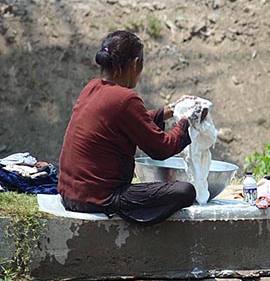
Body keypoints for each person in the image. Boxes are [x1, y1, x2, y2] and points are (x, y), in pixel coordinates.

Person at [58, 30, 199, 225]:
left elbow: (131, 123)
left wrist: (170, 110)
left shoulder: (91, 87)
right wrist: (186, 121)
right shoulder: (126, 98)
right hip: (100, 199)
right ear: (134, 65)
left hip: (69, 195)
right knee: (185, 191)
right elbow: (162, 148)